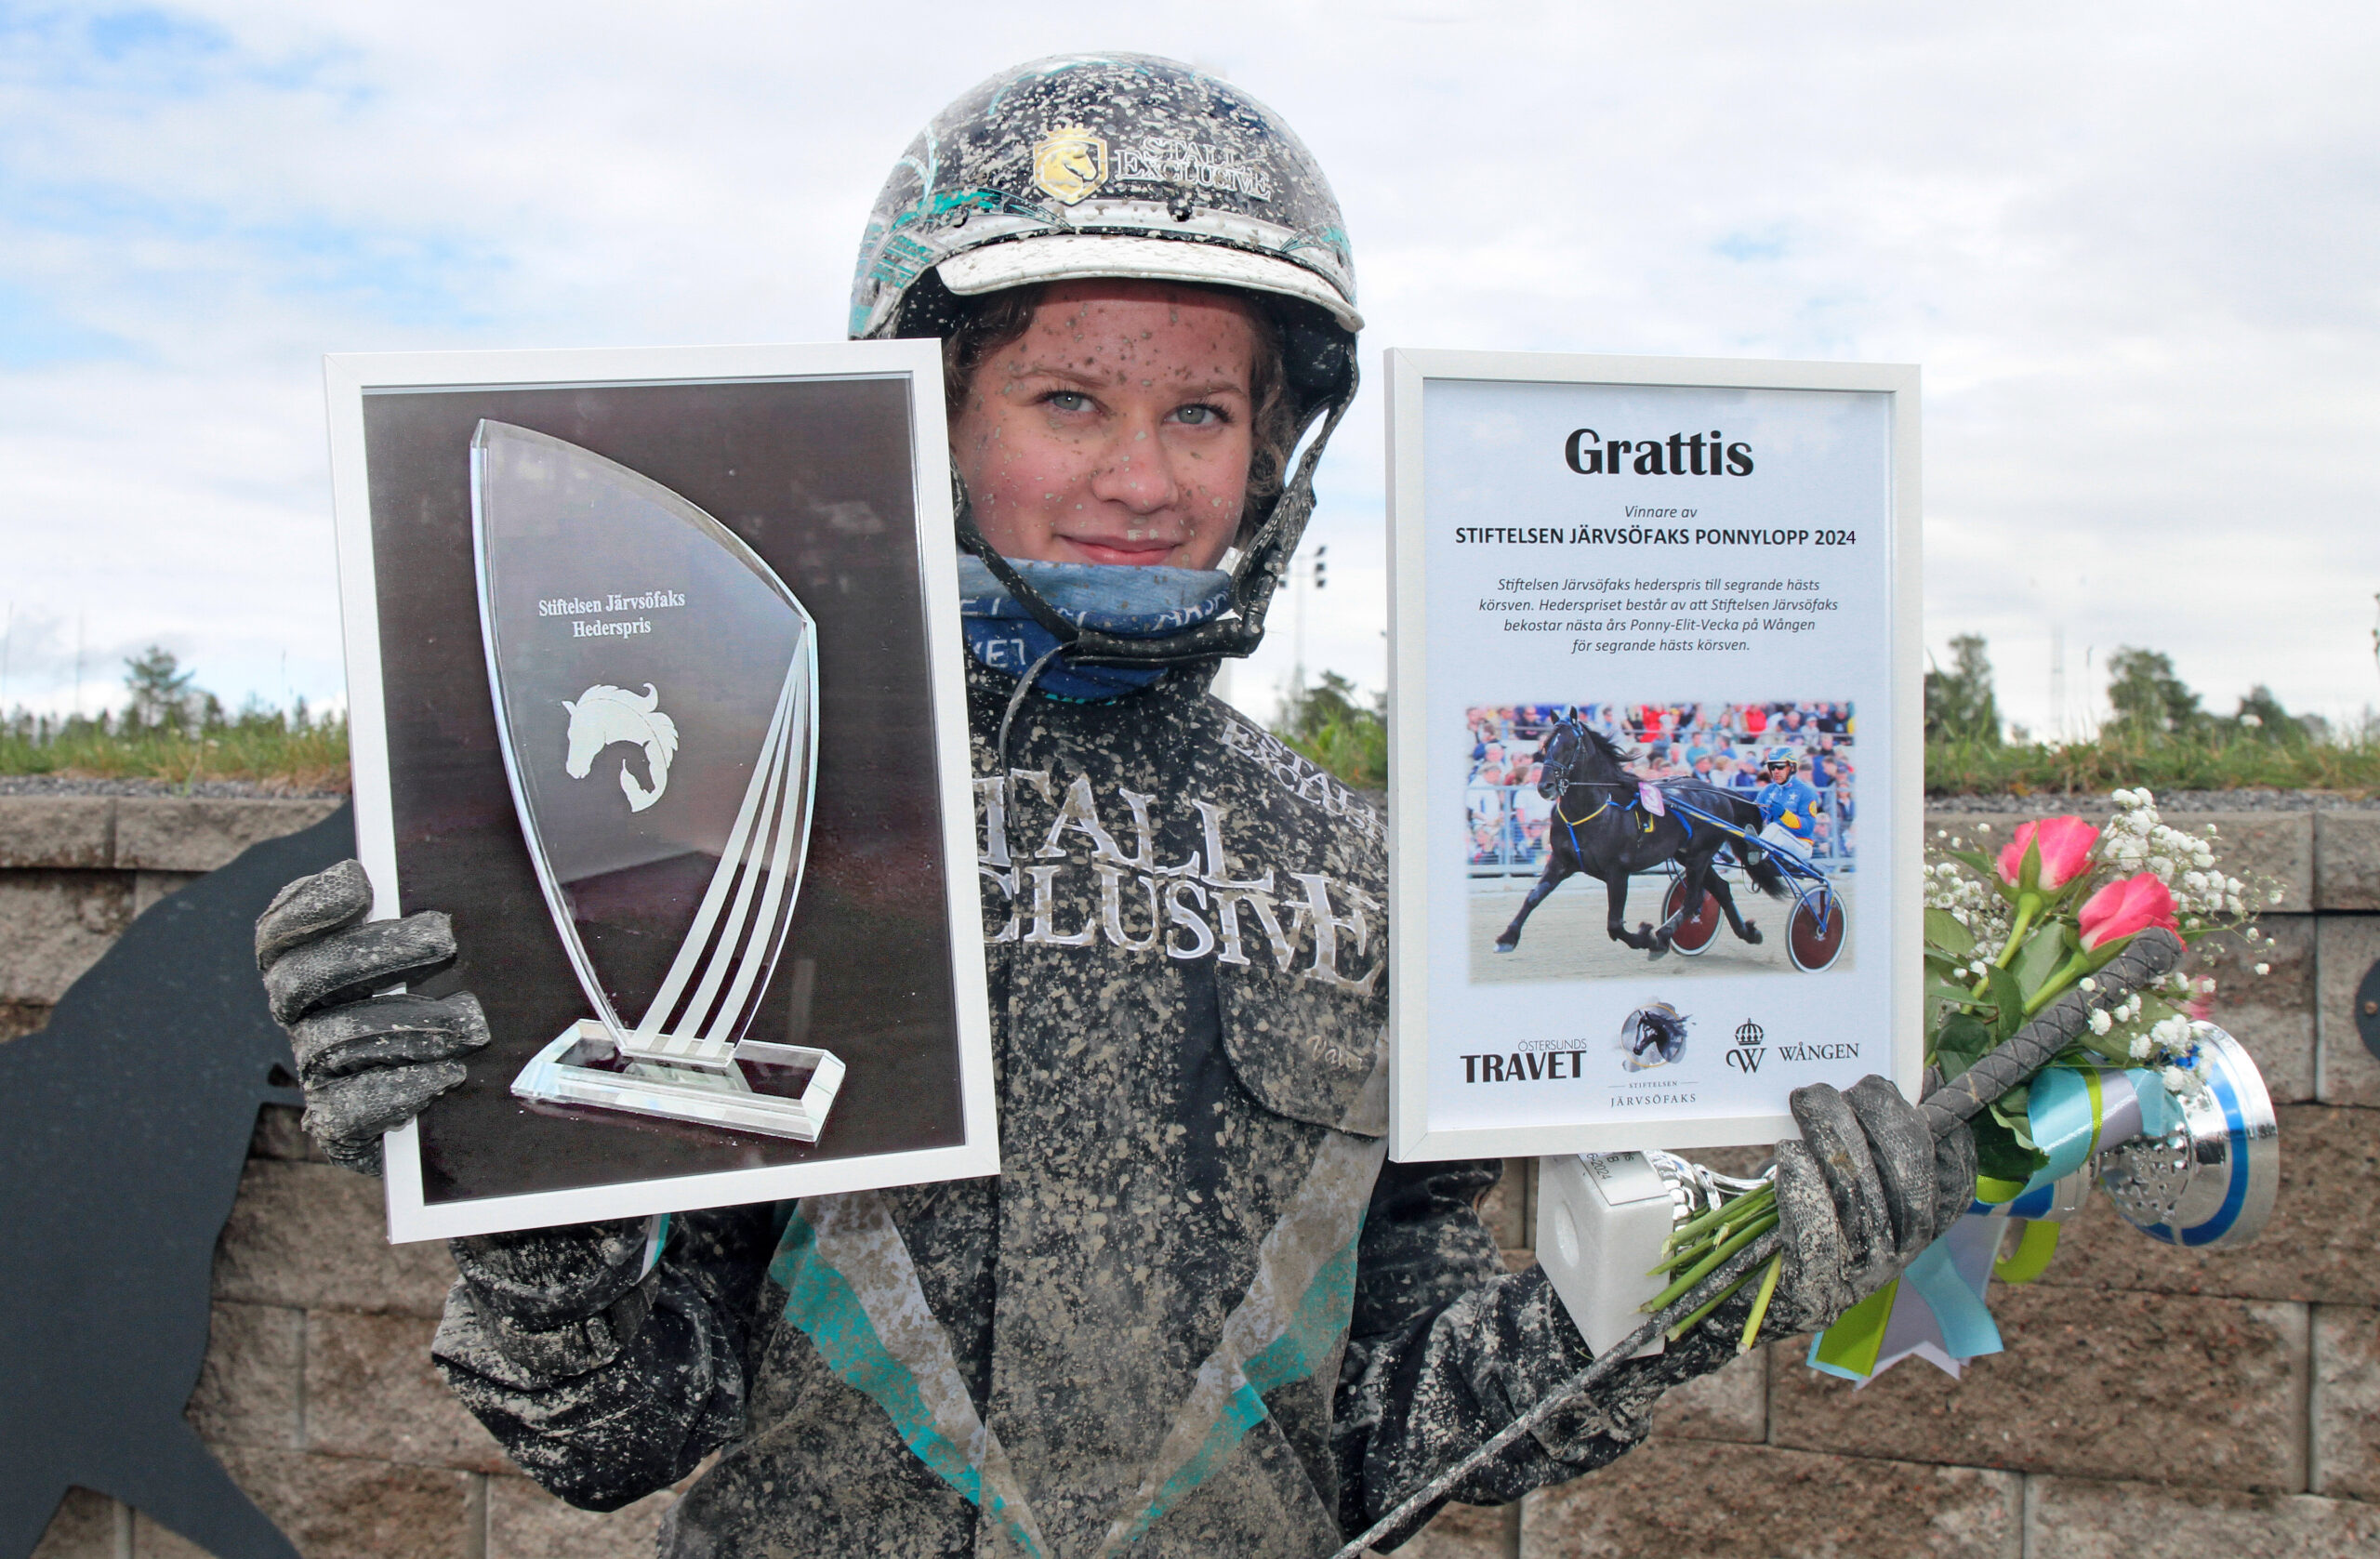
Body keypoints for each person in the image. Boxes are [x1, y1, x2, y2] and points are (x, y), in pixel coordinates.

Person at [252, 55, 1970, 1557]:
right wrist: (498, 1163)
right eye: (1067, 397)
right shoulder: (756, 814)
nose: (1142, 478)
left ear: (1270, 450)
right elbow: (610, 1434)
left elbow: (1390, 1425)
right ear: (927, 417)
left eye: (1201, 410)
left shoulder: (1364, 875)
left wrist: (1701, 1284)